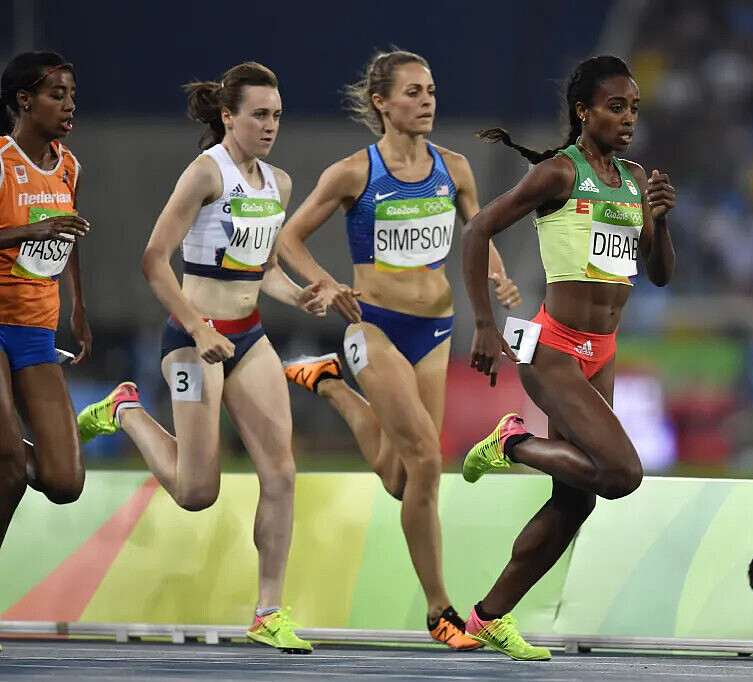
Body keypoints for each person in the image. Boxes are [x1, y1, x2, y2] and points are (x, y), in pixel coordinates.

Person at [76, 62, 328, 653]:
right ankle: (124, 410)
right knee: (196, 492)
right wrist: (197, 327)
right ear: (228, 116)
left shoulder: (278, 183)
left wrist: (301, 296)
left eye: (277, 115)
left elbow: (263, 270)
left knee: (281, 473)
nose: (270, 126)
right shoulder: (204, 174)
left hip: (249, 338)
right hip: (194, 341)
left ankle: (268, 613)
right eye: (259, 115)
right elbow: (153, 261)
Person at [276, 49, 519, 649]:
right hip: (374, 327)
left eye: (430, 90)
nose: (427, 101)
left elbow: (477, 232)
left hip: (434, 331)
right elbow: (290, 239)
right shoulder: (353, 173)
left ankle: (329, 383)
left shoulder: (454, 168)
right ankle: (441, 611)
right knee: (428, 463)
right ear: (381, 102)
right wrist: (327, 285)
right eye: (413, 92)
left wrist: (498, 274)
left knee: (398, 478)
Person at [459, 55, 675, 660]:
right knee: (623, 474)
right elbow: (476, 231)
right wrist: (484, 324)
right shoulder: (558, 173)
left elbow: (660, 273)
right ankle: (512, 444)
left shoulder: (634, 179)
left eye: (634, 108)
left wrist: (660, 222)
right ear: (583, 112)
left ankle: (487, 617)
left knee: (575, 500)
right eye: (615, 107)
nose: (628, 118)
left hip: (601, 352)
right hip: (553, 349)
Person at [0, 52, 92, 555]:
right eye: (57, 95)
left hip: (37, 332)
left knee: (64, 482)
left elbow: (66, 236)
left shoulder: (70, 166)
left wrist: (78, 308)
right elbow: (44, 231)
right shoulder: (0, 160)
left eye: (72, 95)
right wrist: (26, 231)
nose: (69, 104)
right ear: (25, 100)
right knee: (11, 469)